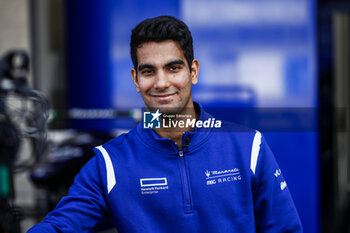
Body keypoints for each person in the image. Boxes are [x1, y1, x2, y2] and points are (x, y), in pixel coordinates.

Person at [28, 15, 302, 233]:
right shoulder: (110, 163)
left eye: (173, 68)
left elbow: (284, 229)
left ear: (192, 72)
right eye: (149, 71)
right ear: (135, 80)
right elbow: (61, 226)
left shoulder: (248, 146)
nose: (161, 83)